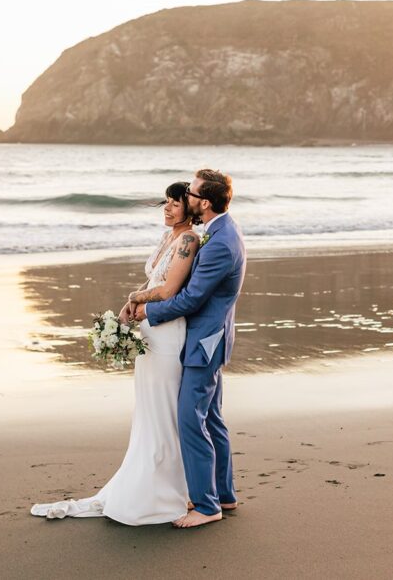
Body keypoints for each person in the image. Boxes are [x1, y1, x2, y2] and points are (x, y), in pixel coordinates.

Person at [30, 182, 198, 525]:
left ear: (189, 209)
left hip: (168, 334)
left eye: (174, 204)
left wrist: (135, 296)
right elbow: (155, 284)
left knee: (164, 408)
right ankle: (150, 482)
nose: (166, 209)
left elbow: (168, 290)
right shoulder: (167, 237)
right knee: (147, 409)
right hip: (150, 330)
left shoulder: (189, 240)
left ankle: (170, 490)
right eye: (164, 202)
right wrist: (130, 305)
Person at [131, 168, 246, 528]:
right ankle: (224, 495)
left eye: (192, 193)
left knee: (190, 420)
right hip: (211, 338)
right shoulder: (220, 231)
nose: (187, 197)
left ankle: (207, 505)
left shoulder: (220, 242)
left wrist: (146, 311)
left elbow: (191, 300)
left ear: (205, 203)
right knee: (211, 418)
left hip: (203, 342)